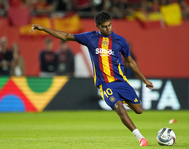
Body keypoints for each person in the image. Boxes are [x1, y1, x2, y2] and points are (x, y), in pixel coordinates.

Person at [31, 11, 153, 146]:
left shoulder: (120, 41)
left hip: (121, 82)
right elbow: (65, 36)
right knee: (119, 108)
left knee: (139, 110)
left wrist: (144, 79)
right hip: (105, 84)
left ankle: (122, 100)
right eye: (104, 26)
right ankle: (141, 138)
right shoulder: (90, 38)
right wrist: (44, 29)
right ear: (98, 26)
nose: (108, 28)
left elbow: (130, 62)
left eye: (109, 25)